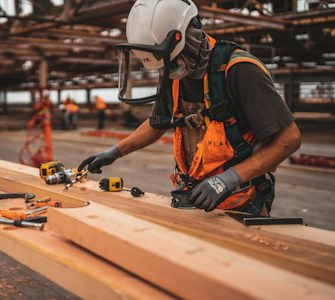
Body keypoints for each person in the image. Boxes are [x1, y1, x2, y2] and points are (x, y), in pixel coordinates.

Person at [78, 0, 301, 216]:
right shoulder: (172, 70)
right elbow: (158, 123)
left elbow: (289, 139)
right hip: (194, 198)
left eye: (172, 63)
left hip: (241, 201)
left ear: (190, 37)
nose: (169, 71)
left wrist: (229, 179)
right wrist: (115, 152)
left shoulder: (239, 70)